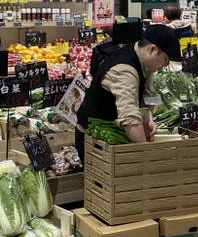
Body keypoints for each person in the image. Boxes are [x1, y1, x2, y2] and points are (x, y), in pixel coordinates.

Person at [75, 25, 181, 157]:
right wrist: (147, 153)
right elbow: (130, 117)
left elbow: (147, 91)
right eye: (166, 59)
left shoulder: (143, 58)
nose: (166, 65)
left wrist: (147, 117)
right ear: (152, 49)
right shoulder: (124, 70)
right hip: (94, 138)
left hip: (113, 132)